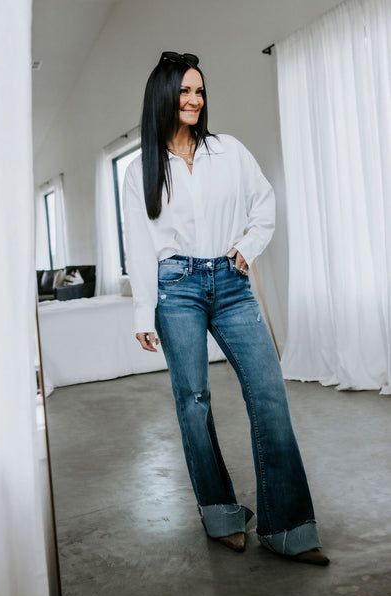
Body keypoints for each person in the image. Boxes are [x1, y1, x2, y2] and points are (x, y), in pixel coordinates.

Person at [122, 51, 329, 565]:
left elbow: (264, 202)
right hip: (176, 288)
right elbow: (140, 247)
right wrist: (143, 312)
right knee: (194, 402)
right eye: (184, 91)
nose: (194, 100)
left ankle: (288, 527)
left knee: (269, 392)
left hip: (231, 281)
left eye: (199, 91)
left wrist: (245, 248)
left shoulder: (228, 150)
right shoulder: (140, 170)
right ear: (163, 98)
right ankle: (220, 513)